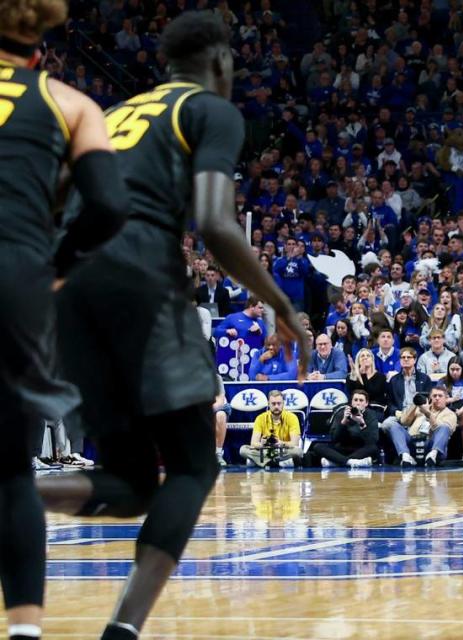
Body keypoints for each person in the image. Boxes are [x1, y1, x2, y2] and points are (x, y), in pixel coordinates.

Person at [37, 13, 310, 640]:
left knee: (130, 484)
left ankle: (19, 494)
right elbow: (215, 224)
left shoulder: (116, 112)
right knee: (193, 466)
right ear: (219, 61)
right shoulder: (211, 111)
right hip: (138, 280)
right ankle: (123, 631)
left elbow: (58, 193)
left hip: (72, 288)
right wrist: (280, 304)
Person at [0, 0, 127, 636]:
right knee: (11, 469)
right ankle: (24, 631)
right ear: (44, 39)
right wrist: (54, 265)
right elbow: (107, 205)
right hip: (20, 276)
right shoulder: (70, 103)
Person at [302, 389, 378, 468]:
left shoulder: (371, 415)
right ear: (351, 402)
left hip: (360, 449)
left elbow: (372, 440)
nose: (358, 403)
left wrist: (362, 423)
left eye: (361, 400)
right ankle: (349, 462)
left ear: (366, 403)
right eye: (355, 400)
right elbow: (334, 438)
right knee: (317, 446)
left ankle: (336, 462)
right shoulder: (342, 413)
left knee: (373, 448)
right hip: (342, 448)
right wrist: (343, 421)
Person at [387, 385, 457, 467]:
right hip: (413, 443)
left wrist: (428, 413)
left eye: (440, 396)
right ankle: (406, 456)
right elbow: (404, 422)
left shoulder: (450, 414)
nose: (437, 398)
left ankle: (432, 457)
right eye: (434, 396)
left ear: (446, 398)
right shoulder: (420, 408)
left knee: (444, 427)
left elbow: (440, 430)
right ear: (430, 397)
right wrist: (415, 404)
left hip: (431, 446)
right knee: (394, 426)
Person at [239, 390, 304, 468]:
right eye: (273, 404)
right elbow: (253, 443)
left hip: (283, 450)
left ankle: (260, 462)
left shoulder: (292, 417)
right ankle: (280, 462)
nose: (276, 406)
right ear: (268, 404)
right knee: (243, 449)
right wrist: (262, 444)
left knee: (298, 451)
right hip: (265, 450)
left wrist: (281, 443)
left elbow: (295, 443)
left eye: (279, 403)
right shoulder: (260, 418)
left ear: (283, 403)